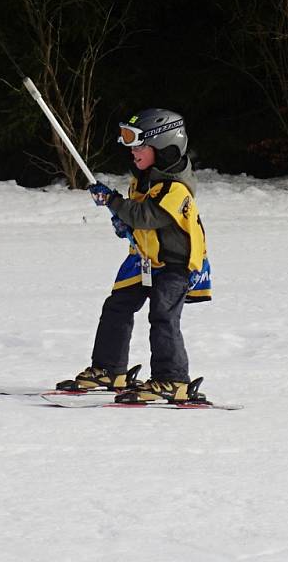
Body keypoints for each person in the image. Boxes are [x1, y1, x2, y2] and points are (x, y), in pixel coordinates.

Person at [56, 109, 212, 403]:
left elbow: (147, 216)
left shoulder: (176, 188)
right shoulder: (143, 181)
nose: (132, 151)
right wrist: (121, 220)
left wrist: (115, 203)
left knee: (163, 316)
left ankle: (172, 379)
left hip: (174, 266)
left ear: (164, 147)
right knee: (117, 306)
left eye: (139, 145)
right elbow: (137, 220)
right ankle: (109, 369)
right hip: (143, 260)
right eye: (129, 143)